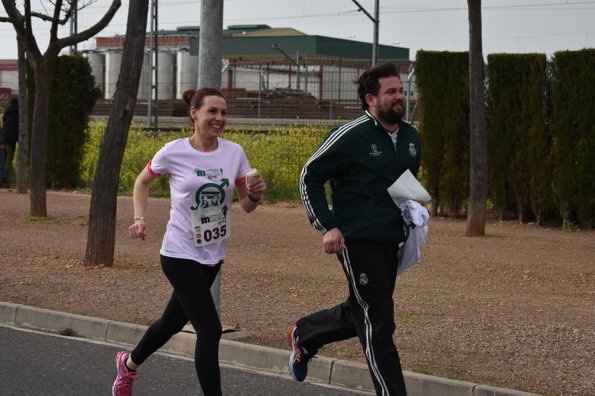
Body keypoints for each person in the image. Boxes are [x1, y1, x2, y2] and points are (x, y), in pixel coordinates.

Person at [112, 87, 267, 396]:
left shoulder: (234, 153)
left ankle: (128, 364)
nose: (219, 118)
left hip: (212, 253)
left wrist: (256, 195)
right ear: (194, 113)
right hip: (178, 251)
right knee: (209, 330)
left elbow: (245, 206)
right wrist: (140, 218)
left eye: (223, 113)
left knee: (170, 323)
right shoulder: (173, 151)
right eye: (212, 111)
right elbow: (142, 181)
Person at [288, 62, 421, 396]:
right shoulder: (352, 135)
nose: (399, 96)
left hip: (391, 241)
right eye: (391, 91)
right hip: (355, 240)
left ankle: (305, 335)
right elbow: (310, 176)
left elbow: (403, 186)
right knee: (379, 321)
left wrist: (416, 216)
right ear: (370, 99)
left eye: (401, 90)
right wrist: (327, 225)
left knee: (360, 311)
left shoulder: (411, 139)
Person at [2, 97, 18, 186]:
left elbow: (4, 120)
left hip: (5, 135)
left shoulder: (7, 110)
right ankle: (6, 175)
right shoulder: (19, 111)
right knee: (10, 156)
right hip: (13, 137)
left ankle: (5, 174)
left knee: (6, 155)